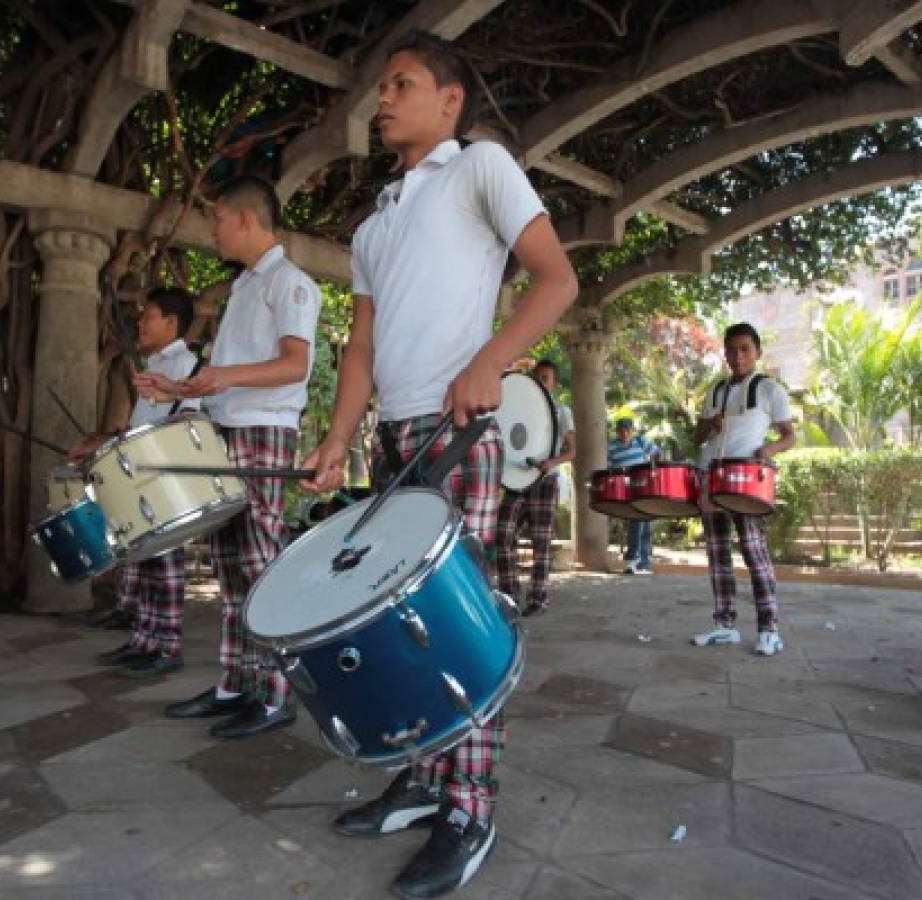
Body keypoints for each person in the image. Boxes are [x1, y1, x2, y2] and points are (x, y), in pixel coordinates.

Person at [301, 30, 577, 900]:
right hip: (393, 441)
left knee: (457, 624)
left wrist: (491, 362)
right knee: (395, 624)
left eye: (401, 84)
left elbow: (555, 278)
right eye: (381, 87)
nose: (381, 100)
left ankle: (469, 804)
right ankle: (423, 778)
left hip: (461, 433)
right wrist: (340, 438)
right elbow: (361, 349)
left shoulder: (481, 168)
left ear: (448, 100)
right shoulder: (374, 222)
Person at [135, 175, 321, 736]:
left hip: (264, 432)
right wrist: (183, 391)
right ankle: (237, 683)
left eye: (216, 217)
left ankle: (277, 694)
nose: (211, 228)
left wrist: (221, 378)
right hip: (228, 430)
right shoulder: (244, 287)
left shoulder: (290, 283)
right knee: (231, 566)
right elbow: (231, 378)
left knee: (260, 564)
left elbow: (295, 365)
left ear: (245, 218)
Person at [75, 288, 199, 677]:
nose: (140, 323)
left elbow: (187, 419)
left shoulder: (186, 365)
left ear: (171, 323)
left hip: (167, 478)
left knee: (165, 565)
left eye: (149, 316)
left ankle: (168, 646)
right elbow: (143, 425)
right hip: (144, 476)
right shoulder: (154, 367)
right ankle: (145, 640)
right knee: (145, 562)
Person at [691, 322, 795, 657]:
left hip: (745, 477)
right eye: (732, 350)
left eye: (745, 349)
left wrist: (767, 451)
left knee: (754, 552)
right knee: (718, 555)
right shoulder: (716, 391)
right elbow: (698, 437)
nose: (738, 356)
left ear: (757, 352)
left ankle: (769, 630)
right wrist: (709, 425)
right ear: (725, 353)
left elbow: (789, 435)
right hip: (711, 475)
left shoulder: (769, 389)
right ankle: (725, 625)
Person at [495, 358, 575, 615]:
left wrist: (550, 462)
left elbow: (572, 451)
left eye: (545, 378)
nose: (539, 382)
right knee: (503, 534)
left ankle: (538, 598)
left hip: (544, 480)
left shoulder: (562, 412)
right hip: (516, 480)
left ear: (554, 384)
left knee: (541, 542)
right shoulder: (519, 408)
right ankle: (509, 593)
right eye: (536, 377)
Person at [607, 416, 660, 575]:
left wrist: (653, 469)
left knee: (646, 524)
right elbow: (607, 468)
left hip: (644, 485)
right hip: (627, 489)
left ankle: (643, 563)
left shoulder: (641, 441)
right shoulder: (611, 447)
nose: (625, 433)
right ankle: (632, 560)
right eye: (622, 430)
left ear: (632, 431)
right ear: (617, 431)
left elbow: (657, 453)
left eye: (628, 430)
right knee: (636, 520)